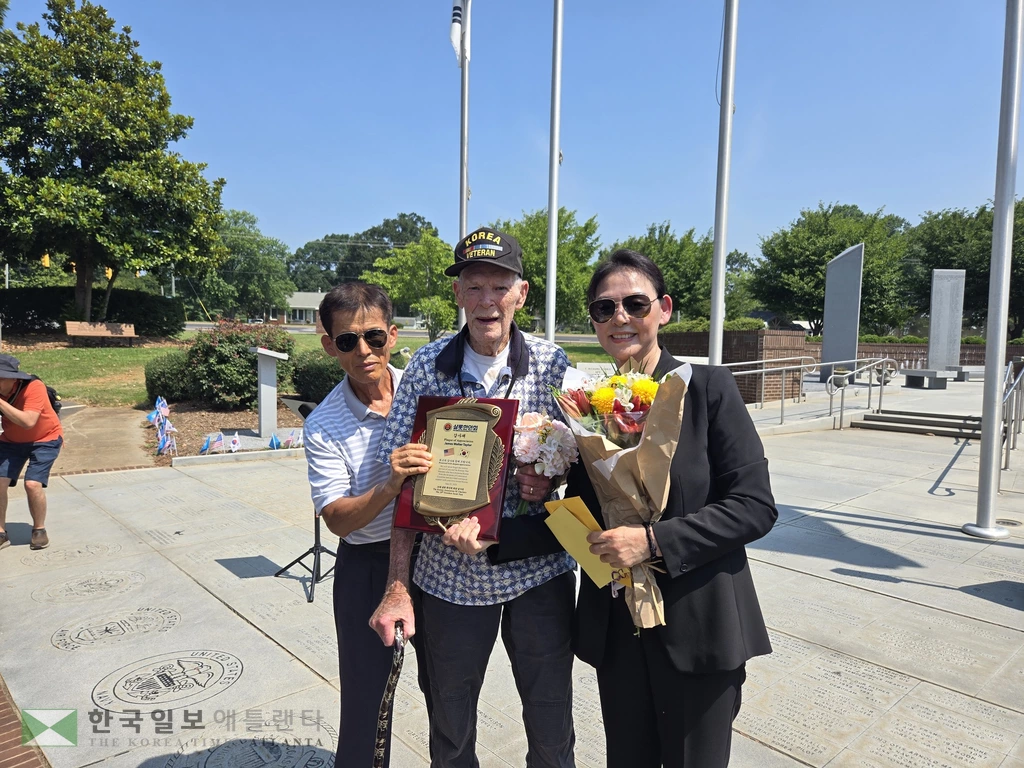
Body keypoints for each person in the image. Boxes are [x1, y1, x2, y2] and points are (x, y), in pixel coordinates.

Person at [471, 249, 777, 767]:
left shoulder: (708, 390)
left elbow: (754, 506)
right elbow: (585, 522)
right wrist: (492, 535)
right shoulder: (589, 406)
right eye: (604, 308)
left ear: (664, 309)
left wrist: (652, 542)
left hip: (700, 629)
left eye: (635, 304)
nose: (620, 318)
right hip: (619, 634)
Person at [369, 227, 577, 768]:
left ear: (521, 293)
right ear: (457, 293)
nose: (488, 300)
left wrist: (549, 478)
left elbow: (586, 463)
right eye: (475, 286)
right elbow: (403, 487)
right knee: (450, 723)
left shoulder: (553, 365)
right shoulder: (426, 366)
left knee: (552, 722)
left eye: (500, 287)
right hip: (448, 576)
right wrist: (397, 587)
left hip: (537, 572)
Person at [302, 282, 432, 768]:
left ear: (392, 336)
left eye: (374, 337)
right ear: (328, 345)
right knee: (366, 697)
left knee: (447, 688)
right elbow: (337, 519)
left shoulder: (426, 395)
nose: (363, 351)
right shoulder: (323, 424)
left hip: (433, 556)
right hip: (367, 563)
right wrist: (390, 485)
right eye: (347, 340)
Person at [0, 354, 64, 551]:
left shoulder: (34, 387)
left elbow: (28, 422)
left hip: (45, 439)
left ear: (13, 378)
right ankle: (1, 533)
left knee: (32, 484)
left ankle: (39, 530)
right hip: (11, 440)